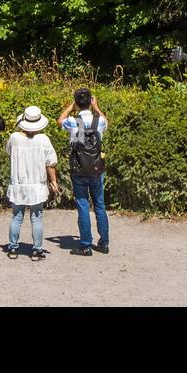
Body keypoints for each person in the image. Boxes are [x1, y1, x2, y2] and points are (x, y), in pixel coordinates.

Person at [5, 106, 59, 261]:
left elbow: (9, 152)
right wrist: (53, 181)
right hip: (37, 184)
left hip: (18, 183)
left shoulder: (14, 137)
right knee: (37, 218)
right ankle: (37, 250)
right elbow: (51, 163)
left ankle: (13, 248)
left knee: (16, 217)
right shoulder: (44, 140)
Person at [59, 88, 109, 256]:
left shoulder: (74, 122)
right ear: (90, 101)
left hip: (79, 169)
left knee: (82, 205)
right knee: (100, 206)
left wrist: (70, 107)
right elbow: (106, 120)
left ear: (77, 102)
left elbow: (60, 120)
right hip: (96, 168)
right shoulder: (99, 121)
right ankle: (104, 243)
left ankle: (85, 244)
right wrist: (96, 107)